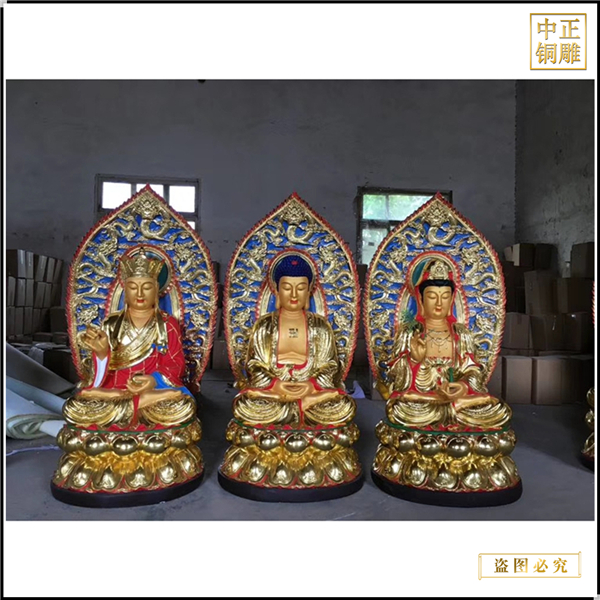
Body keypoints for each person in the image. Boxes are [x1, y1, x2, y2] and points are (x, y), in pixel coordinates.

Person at [63, 248, 195, 429]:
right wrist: (101, 353)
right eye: (133, 287)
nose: (139, 294)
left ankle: (133, 404)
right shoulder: (111, 323)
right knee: (75, 406)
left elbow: (176, 364)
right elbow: (99, 376)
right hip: (115, 388)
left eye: (146, 287)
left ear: (156, 290)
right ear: (125, 290)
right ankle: (135, 403)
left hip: (153, 391)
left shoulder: (167, 324)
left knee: (184, 405)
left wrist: (153, 381)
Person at [385, 256, 510, 430]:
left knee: (500, 409)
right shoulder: (410, 333)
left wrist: (463, 387)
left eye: (445, 297)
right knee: (398, 409)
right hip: (424, 400)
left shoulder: (461, 334)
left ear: (451, 300)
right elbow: (396, 378)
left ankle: (456, 406)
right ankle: (450, 408)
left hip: (458, 399)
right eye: (432, 296)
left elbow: (473, 371)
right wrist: (414, 360)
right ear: (420, 300)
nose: (439, 303)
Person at [233, 252, 355, 428]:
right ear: (276, 290)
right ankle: (300, 409)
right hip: (274, 391)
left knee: (345, 405)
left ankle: (299, 408)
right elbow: (254, 365)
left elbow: (329, 366)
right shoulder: (265, 326)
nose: (294, 294)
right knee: (243, 404)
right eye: (287, 287)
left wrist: (310, 385)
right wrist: (276, 385)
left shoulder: (320, 326)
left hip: (311, 391)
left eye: (301, 288)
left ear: (309, 291)